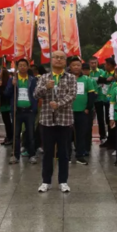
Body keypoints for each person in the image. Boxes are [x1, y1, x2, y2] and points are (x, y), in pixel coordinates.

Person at [35, 50, 77, 193]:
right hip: (47, 120)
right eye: (56, 57)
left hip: (64, 120)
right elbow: (36, 94)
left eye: (61, 58)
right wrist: (46, 87)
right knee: (47, 152)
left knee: (64, 152)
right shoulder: (44, 78)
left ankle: (63, 181)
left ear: (65, 61)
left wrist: (58, 104)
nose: (58, 60)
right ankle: (46, 181)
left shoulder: (71, 78)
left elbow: (72, 95)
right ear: (51, 60)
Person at [5, 58, 38, 165]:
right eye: (20, 65)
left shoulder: (32, 80)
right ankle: (15, 155)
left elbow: (36, 94)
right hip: (17, 111)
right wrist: (12, 85)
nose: (22, 67)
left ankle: (32, 155)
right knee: (16, 134)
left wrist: (34, 108)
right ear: (17, 67)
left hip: (29, 111)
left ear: (28, 67)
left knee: (30, 134)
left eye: (24, 65)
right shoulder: (13, 79)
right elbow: (7, 94)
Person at [70, 58, 96, 165]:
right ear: (70, 67)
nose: (76, 67)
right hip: (68, 112)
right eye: (74, 65)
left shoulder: (87, 79)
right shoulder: (66, 79)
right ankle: (67, 155)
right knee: (67, 134)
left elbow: (91, 95)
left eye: (78, 65)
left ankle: (80, 155)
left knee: (81, 134)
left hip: (82, 112)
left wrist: (88, 108)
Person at [88, 57, 109, 147]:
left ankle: (104, 137)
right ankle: (90, 138)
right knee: (93, 118)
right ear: (89, 63)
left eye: (95, 63)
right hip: (93, 98)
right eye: (92, 63)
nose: (93, 64)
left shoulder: (102, 72)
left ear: (97, 63)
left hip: (103, 97)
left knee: (104, 118)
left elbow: (106, 81)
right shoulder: (87, 73)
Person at [0, 69, 13, 147]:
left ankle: (10, 137)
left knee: (8, 123)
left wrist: (0, 88)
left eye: (0, 72)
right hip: (3, 105)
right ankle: (8, 136)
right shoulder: (1, 82)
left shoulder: (6, 83)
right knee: (6, 122)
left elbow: (5, 94)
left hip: (6, 105)